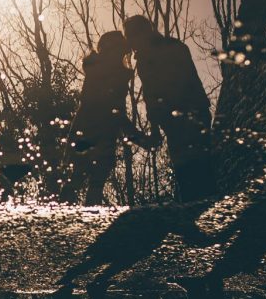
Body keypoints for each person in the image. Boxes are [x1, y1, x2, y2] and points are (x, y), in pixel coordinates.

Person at [122, 15, 216, 201]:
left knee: (192, 171)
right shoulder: (172, 47)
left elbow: (156, 92)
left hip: (185, 117)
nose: (131, 45)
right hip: (188, 116)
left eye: (131, 37)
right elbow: (152, 95)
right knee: (197, 171)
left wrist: (160, 124)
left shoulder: (158, 54)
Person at [63, 30, 158, 205]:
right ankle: (59, 218)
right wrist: (141, 139)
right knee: (81, 178)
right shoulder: (105, 74)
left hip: (97, 134)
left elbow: (115, 113)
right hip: (93, 133)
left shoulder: (105, 73)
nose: (123, 52)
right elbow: (113, 113)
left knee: (87, 180)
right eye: (120, 48)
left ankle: (77, 217)